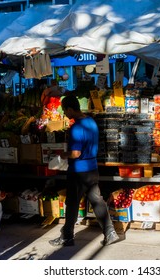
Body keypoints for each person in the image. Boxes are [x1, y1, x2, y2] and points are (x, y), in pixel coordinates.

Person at [49, 94, 120, 247]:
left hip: (78, 172)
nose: (65, 114)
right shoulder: (91, 122)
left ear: (70, 108)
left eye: (64, 110)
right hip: (92, 169)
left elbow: (76, 153)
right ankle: (110, 232)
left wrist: (63, 154)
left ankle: (67, 236)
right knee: (97, 201)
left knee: (72, 204)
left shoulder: (76, 127)